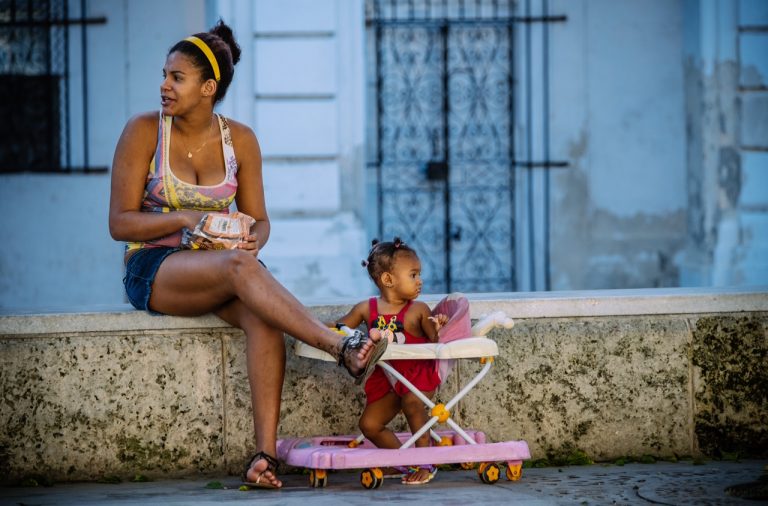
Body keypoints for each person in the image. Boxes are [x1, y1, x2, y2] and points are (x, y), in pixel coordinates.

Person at [108, 20, 387, 490]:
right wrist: (183, 220)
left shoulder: (240, 140)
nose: (164, 85)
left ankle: (264, 456)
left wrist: (252, 238)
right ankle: (341, 345)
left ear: (208, 87)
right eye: (165, 74)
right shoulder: (143, 131)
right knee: (242, 267)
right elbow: (120, 223)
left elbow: (260, 220)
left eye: (177, 77)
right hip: (154, 266)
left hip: (223, 266)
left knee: (262, 314)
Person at [334, 238, 448, 485]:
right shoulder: (366, 308)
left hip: (418, 376)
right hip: (387, 378)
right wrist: (306, 329)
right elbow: (340, 328)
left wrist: (438, 325)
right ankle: (400, 462)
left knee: (412, 402)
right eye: (414, 275)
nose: (420, 281)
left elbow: (437, 341)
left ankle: (425, 461)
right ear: (388, 280)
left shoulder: (418, 309)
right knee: (370, 424)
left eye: (419, 275)